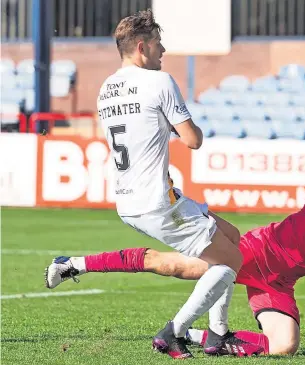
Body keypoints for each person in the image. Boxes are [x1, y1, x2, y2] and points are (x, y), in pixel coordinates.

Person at [45, 145, 305, 356]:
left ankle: (202, 337)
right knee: (172, 265)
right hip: (257, 252)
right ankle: (74, 263)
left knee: (285, 347)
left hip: (282, 280)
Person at [45, 9, 246, 360]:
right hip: (157, 200)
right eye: (158, 44)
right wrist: (186, 126)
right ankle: (175, 333)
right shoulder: (159, 81)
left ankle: (217, 334)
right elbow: (193, 140)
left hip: (129, 199)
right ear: (141, 47)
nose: (163, 50)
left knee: (231, 238)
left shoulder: (106, 88)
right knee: (229, 262)